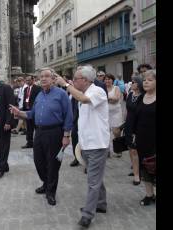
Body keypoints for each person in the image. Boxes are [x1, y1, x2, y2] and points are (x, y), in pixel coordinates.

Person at [55, 65, 110, 228]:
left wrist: (65, 84)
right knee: (95, 176)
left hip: (97, 144)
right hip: (86, 144)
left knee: (92, 180)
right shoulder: (84, 92)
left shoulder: (97, 91)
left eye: (76, 78)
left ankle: (88, 214)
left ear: (85, 80)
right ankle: (101, 203)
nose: (73, 80)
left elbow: (84, 100)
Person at [10, 68, 73, 206]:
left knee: (53, 164)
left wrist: (66, 135)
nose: (43, 78)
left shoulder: (61, 94)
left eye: (47, 76)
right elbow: (32, 113)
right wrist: (19, 112)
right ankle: (46, 183)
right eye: (41, 76)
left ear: (53, 79)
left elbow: (69, 116)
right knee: (39, 161)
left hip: (55, 132)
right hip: (39, 132)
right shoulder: (39, 95)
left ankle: (50, 191)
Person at [131, 69, 156, 206]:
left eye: (150, 80)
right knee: (145, 167)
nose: (146, 82)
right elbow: (136, 118)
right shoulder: (141, 97)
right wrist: (133, 134)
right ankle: (149, 195)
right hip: (142, 139)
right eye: (145, 79)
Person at [124, 75, 144, 185]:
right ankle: (135, 169)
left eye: (134, 82)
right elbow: (127, 110)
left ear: (139, 84)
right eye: (131, 82)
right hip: (128, 124)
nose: (131, 84)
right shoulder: (130, 94)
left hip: (138, 125)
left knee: (135, 150)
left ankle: (138, 175)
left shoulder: (143, 96)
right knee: (130, 149)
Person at [104, 73, 124, 157]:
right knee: (106, 132)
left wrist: (106, 99)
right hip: (105, 113)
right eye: (106, 79)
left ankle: (119, 149)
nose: (107, 80)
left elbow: (116, 99)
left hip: (116, 113)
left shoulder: (116, 88)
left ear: (112, 80)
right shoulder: (103, 88)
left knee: (116, 132)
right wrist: (110, 99)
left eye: (109, 79)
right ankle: (107, 151)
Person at [21, 75, 42, 149]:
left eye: (29, 80)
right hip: (27, 110)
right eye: (26, 80)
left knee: (36, 127)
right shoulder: (26, 89)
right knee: (29, 128)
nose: (27, 82)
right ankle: (29, 142)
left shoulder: (38, 88)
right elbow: (25, 99)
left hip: (34, 111)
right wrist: (23, 109)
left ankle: (39, 142)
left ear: (33, 80)